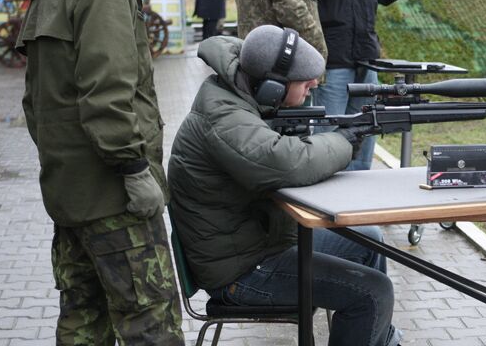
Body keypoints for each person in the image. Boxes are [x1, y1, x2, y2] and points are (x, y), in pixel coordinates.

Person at [14, 0, 184, 345]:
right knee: (152, 324)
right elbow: (107, 94)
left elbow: (35, 103)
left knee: (83, 320)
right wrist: (133, 169)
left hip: (71, 192)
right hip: (116, 198)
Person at [167, 25, 402, 346]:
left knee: (369, 240)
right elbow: (289, 164)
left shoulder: (235, 96)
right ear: (272, 89)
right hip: (240, 272)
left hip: (261, 242)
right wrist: (346, 139)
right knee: (373, 293)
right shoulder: (225, 118)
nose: (313, 87)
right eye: (305, 83)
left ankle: (376, 338)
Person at [298, 0, 419, 170]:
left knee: (366, 127)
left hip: (365, 59)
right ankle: (326, 186)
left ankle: (361, 183)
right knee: (329, 131)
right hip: (334, 60)